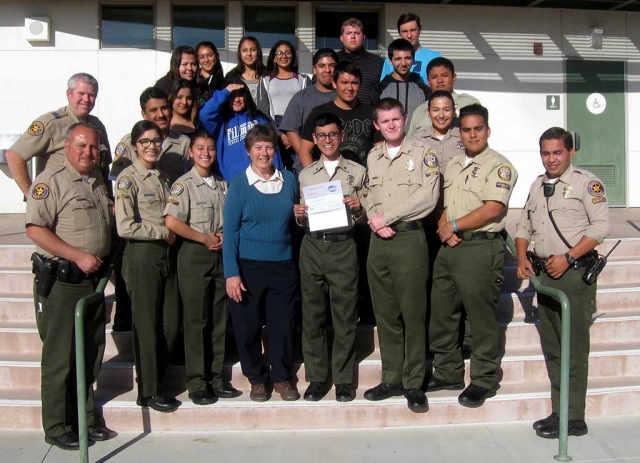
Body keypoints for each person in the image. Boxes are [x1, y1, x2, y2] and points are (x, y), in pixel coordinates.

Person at [515, 127, 610, 439]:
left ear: (570, 152)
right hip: (544, 274)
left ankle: (574, 417)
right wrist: (521, 257)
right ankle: (560, 411)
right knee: (554, 348)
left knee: (573, 348)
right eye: (545, 152)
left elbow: (601, 227)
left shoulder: (586, 183)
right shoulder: (537, 184)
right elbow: (523, 225)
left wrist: (568, 257)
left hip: (572, 274)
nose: (551, 158)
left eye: (557, 152)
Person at [25, 122, 113, 450]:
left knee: (89, 354)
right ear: (66, 147)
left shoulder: (97, 180)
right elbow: (35, 229)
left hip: (91, 282)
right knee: (61, 358)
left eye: (93, 147)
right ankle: (57, 426)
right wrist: (77, 255)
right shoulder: (50, 182)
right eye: (81, 146)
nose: (88, 153)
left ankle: (84, 420)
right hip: (63, 283)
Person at [428, 104, 518, 408]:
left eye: (478, 128)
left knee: (480, 319)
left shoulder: (499, 166)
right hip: (449, 245)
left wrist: (453, 225)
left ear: (488, 131)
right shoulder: (452, 164)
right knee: (443, 312)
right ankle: (448, 371)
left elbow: (493, 208)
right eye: (466, 129)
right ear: (460, 133)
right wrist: (444, 226)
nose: (472, 134)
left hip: (480, 247)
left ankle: (483, 379)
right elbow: (443, 201)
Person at [362, 98, 440, 413]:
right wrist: (374, 220)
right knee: (386, 314)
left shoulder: (424, 154)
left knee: (412, 313)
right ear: (377, 125)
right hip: (378, 241)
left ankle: (413, 383)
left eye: (396, 119)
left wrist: (388, 217)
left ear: (405, 119)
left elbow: (428, 196)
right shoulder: (373, 156)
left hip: (408, 238)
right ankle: (391, 378)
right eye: (385, 121)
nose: (392, 125)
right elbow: (367, 193)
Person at [223, 124, 299, 402]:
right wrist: (231, 273)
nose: (264, 152)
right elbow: (230, 232)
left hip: (283, 264)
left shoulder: (289, 180)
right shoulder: (239, 184)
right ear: (248, 151)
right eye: (258, 147)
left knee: (282, 326)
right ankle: (256, 378)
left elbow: (295, 222)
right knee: (247, 326)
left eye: (268, 146)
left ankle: (281, 377)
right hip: (248, 266)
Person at [164, 131, 241, 405]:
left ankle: (215, 378)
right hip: (195, 255)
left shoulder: (222, 184)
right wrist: (203, 238)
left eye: (210, 148)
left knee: (219, 320)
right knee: (197, 321)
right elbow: (172, 222)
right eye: (200, 148)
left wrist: (221, 239)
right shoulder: (184, 185)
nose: (206, 153)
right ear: (191, 152)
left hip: (220, 256)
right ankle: (197, 381)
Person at [293, 113, 365, 403]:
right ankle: (317, 378)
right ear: (315, 139)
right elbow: (303, 216)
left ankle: (344, 380)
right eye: (321, 135)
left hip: (343, 246)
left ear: (341, 136)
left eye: (332, 134)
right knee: (312, 316)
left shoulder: (357, 172)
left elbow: (364, 217)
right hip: (312, 247)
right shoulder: (305, 174)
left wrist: (359, 208)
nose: (327, 140)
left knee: (345, 316)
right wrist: (299, 216)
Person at [115, 120, 181, 413]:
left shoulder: (162, 176)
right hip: (142, 254)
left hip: (165, 255)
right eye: (145, 142)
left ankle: (155, 380)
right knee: (146, 324)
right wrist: (162, 233)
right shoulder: (129, 179)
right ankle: (150, 390)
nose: (152, 146)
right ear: (135, 145)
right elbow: (125, 226)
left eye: (156, 141)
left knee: (170, 323)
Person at [6, 73, 112, 198]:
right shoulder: (51, 124)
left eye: (91, 95)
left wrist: (109, 199)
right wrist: (32, 196)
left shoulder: (97, 126)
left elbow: (104, 169)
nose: (86, 100)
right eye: (81, 94)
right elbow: (14, 155)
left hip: (93, 202)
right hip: (60, 205)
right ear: (69, 94)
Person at [199, 80, 283, 182]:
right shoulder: (220, 122)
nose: (237, 99)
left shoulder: (260, 120)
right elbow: (204, 114)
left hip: (261, 181)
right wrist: (225, 92)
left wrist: (279, 174)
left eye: (240, 95)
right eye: (232, 96)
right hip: (230, 183)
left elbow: (272, 151)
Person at [299, 62, 375, 168]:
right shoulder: (319, 112)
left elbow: (379, 149)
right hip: (327, 180)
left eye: (354, 83)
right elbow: (304, 151)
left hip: (361, 178)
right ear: (334, 83)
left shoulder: (371, 113)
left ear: (360, 84)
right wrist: (315, 178)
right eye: (344, 82)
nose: (349, 88)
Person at [109, 87, 190, 185]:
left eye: (164, 108)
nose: (160, 115)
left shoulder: (184, 143)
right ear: (144, 114)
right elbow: (119, 181)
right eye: (153, 110)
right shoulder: (129, 142)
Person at [279, 48, 338, 171]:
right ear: (314, 69)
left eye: (332, 66)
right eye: (322, 66)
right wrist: (306, 157)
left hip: (338, 166)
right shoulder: (301, 97)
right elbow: (291, 130)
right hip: (306, 168)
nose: (327, 70)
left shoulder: (343, 96)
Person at [408, 57, 480, 135]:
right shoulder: (420, 110)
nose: (439, 81)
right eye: (434, 77)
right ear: (428, 81)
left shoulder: (469, 104)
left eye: (445, 75)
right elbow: (410, 142)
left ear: (454, 77)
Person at [369, 38, 432, 128]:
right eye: (398, 59)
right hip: (387, 140)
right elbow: (374, 119)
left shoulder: (424, 89)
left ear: (413, 60)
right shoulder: (379, 89)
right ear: (390, 61)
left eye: (407, 58)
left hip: (417, 141)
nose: (403, 63)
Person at [380, 13, 441, 83]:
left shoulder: (435, 57)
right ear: (399, 33)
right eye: (404, 31)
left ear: (420, 30)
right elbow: (383, 88)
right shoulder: (390, 59)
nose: (409, 35)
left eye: (413, 30)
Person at [336, 18, 384, 104]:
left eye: (357, 33)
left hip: (368, 114)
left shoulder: (378, 63)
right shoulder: (333, 61)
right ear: (341, 38)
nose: (353, 37)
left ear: (363, 37)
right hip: (336, 114)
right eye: (348, 33)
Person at [413, 90, 465, 168]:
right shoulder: (417, 140)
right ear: (428, 112)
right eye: (435, 110)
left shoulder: (463, 137)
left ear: (454, 111)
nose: (441, 115)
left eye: (446, 110)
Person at [225, 36, 267, 102]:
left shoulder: (268, 74)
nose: (249, 54)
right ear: (240, 53)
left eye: (253, 50)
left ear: (258, 52)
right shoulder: (231, 76)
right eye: (244, 50)